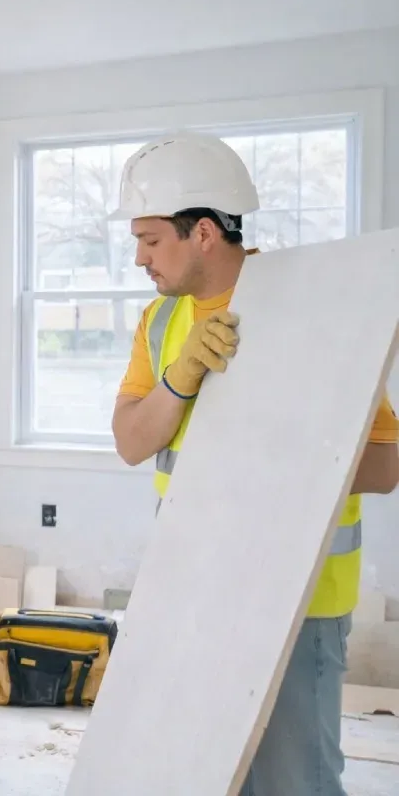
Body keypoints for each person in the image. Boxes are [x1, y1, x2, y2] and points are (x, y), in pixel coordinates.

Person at [109, 131, 399, 796]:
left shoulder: (321, 306)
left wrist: (263, 443)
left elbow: (384, 467)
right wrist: (180, 380)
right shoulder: (160, 323)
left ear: (203, 232)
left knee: (296, 780)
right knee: (201, 773)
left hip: (298, 597)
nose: (139, 259)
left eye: (151, 240)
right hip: (192, 589)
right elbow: (131, 442)